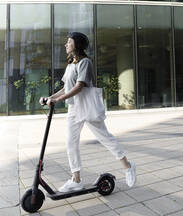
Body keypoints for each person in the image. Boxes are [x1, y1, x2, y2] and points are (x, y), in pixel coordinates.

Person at [39, 32, 136, 193]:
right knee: (70, 142)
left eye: (69, 42)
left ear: (77, 45)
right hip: (74, 108)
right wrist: (50, 98)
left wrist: (59, 100)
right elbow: (66, 88)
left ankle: (128, 166)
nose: (66, 45)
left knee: (105, 137)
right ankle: (76, 179)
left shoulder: (85, 62)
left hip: (86, 106)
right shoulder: (71, 64)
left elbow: (79, 86)